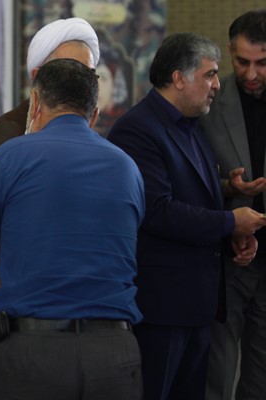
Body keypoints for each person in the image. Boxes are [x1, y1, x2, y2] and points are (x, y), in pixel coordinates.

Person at [0, 58, 144, 400]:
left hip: (35, 355)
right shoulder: (127, 168)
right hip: (116, 355)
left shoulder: (10, 157)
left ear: (35, 103)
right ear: (94, 114)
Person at [108, 32, 266, 400]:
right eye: (210, 75)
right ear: (179, 78)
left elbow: (195, 198)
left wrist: (231, 233)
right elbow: (157, 210)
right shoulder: (138, 130)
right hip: (161, 308)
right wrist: (231, 222)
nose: (217, 85)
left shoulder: (190, 124)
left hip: (197, 304)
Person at [0, 18, 101, 400]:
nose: (77, 80)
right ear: (38, 78)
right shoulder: (10, 136)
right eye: (67, 69)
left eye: (86, 73)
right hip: (12, 321)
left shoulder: (88, 140)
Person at [200, 10, 266, 400]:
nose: (251, 73)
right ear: (229, 52)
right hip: (226, 259)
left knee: (260, 377)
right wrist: (229, 187)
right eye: (242, 62)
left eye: (262, 63)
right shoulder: (209, 100)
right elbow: (190, 180)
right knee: (217, 371)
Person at [0, 17, 99, 187]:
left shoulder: (101, 146)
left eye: (88, 75)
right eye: (67, 73)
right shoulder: (6, 135)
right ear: (37, 77)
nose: (80, 83)